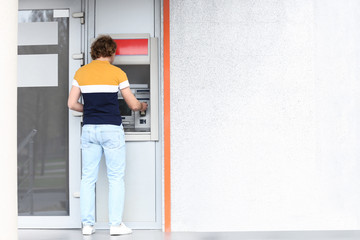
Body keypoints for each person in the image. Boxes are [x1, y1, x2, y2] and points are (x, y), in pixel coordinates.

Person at [67, 35, 148, 236]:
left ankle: (87, 226)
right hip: (112, 129)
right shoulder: (117, 73)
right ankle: (115, 225)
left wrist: (90, 109)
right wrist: (142, 106)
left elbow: (71, 104)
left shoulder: (81, 72)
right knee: (115, 178)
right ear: (111, 52)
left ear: (95, 52)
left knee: (87, 178)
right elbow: (132, 104)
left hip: (90, 129)